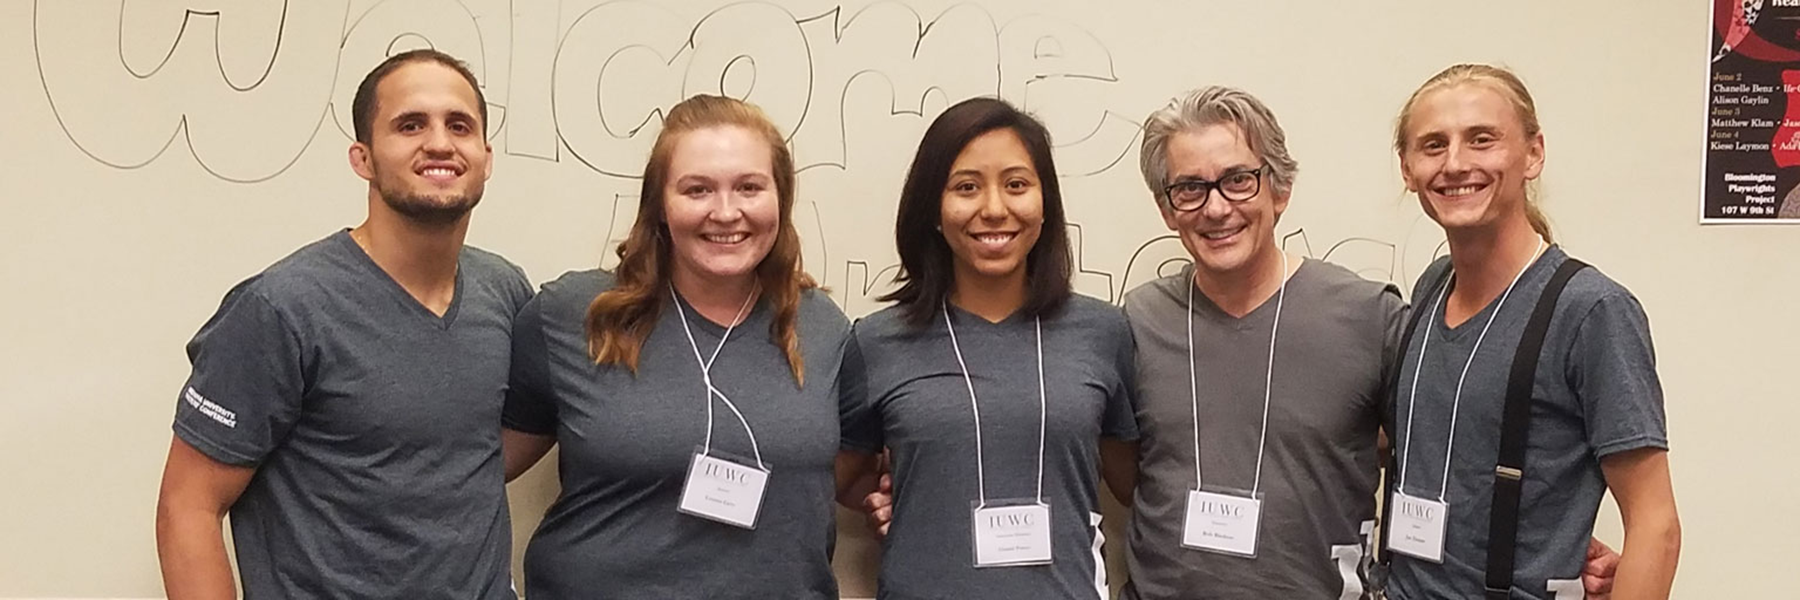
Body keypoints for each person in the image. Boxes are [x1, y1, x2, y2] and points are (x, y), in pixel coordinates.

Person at [154, 49, 528, 599]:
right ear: (363, 158)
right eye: (409, 125)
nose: (440, 143)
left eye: (459, 125)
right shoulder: (282, 308)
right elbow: (187, 507)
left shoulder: (504, 292)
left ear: (486, 156)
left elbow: (471, 450)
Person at [499, 94, 857, 598]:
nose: (726, 212)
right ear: (660, 207)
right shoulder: (575, 315)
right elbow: (479, 472)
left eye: (750, 187)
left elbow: (849, 472)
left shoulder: (822, 328)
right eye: (697, 190)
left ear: (781, 199)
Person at [1384, 63, 1681, 600]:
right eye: (1432, 145)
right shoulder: (1431, 287)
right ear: (1406, 168)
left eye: (1481, 140)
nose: (1455, 163)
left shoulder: (1591, 312)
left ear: (1533, 153)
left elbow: (1655, 524)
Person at [837, 96, 1140, 599]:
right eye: (966, 187)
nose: (994, 209)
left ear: (1046, 205)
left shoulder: (1104, 333)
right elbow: (835, 479)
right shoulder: (876, 341)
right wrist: (896, 496)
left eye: (1017, 185)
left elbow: (1132, 485)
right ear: (933, 209)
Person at [1117, 86, 1404, 600]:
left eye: (1238, 180)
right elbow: (1123, 469)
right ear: (1166, 209)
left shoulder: (1367, 316)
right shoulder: (1138, 322)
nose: (1216, 207)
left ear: (1280, 189)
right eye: (1190, 188)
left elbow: (1441, 459)